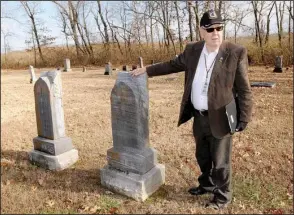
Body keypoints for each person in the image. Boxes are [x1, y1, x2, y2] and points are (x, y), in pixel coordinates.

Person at [130, 9, 253, 210]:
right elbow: (171, 65)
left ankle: (222, 197)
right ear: (201, 31)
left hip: (221, 117)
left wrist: (244, 117)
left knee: (220, 162)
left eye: (219, 28)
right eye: (210, 29)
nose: (216, 33)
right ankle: (206, 185)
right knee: (202, 155)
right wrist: (147, 71)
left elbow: (244, 89)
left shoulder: (236, 53)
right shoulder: (193, 50)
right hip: (199, 116)